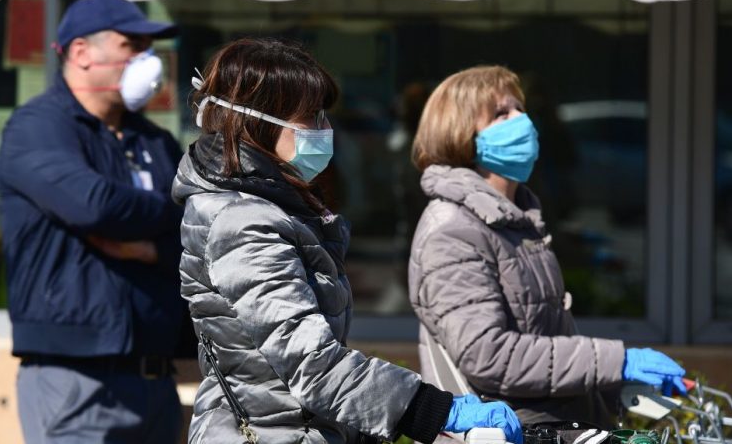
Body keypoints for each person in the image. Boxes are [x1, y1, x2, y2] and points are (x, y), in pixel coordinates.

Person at [173, 38, 523, 444]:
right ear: (260, 123)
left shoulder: (274, 209)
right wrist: (435, 410)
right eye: (311, 117)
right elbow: (312, 365)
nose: (325, 130)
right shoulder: (243, 224)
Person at [407, 65, 687, 428]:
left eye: (520, 109)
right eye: (501, 113)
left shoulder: (515, 221)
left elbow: (546, 352)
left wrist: (613, 383)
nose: (521, 120)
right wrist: (615, 360)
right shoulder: (453, 230)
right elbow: (488, 355)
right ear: (458, 132)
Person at [0, 0, 190, 442]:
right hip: (76, 379)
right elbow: (93, 205)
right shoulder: (39, 127)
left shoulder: (155, 141)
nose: (146, 61)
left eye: (149, 48)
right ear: (81, 53)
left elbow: (203, 232)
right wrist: (169, 211)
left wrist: (151, 247)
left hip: (156, 379)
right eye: (131, 45)